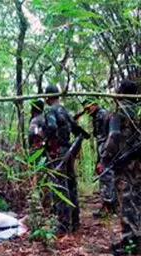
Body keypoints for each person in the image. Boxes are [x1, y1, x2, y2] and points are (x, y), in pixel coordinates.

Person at [99, 80, 141, 256]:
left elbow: (114, 135)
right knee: (134, 198)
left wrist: (105, 157)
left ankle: (131, 241)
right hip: (139, 161)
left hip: (125, 161)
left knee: (127, 199)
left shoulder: (118, 112)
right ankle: (133, 239)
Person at [43, 85, 89, 234]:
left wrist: (48, 143)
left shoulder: (51, 111)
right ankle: (75, 223)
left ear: (48, 97)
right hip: (68, 151)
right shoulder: (65, 111)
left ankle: (63, 227)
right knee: (71, 186)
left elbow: (52, 127)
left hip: (58, 152)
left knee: (59, 188)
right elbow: (77, 130)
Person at [83, 100, 116, 216]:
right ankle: (109, 205)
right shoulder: (98, 115)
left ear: (95, 104)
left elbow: (106, 135)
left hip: (106, 146)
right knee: (105, 174)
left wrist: (104, 154)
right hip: (104, 146)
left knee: (106, 175)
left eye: (89, 108)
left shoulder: (102, 114)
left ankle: (108, 207)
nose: (88, 111)